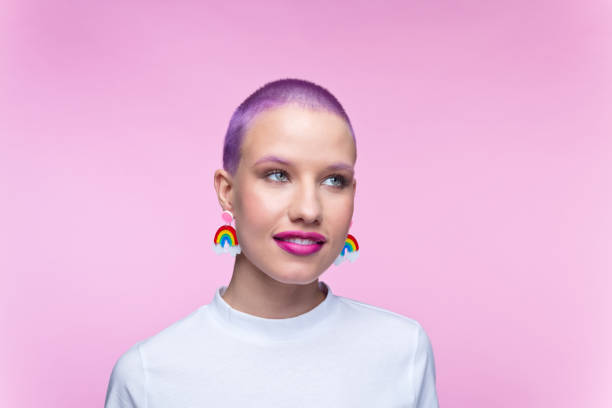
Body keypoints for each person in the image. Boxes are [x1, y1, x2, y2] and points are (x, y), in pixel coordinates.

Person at [104, 78, 440, 407]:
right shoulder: (147, 377)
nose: (308, 210)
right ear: (227, 192)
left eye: (334, 180)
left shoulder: (402, 351)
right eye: (278, 175)